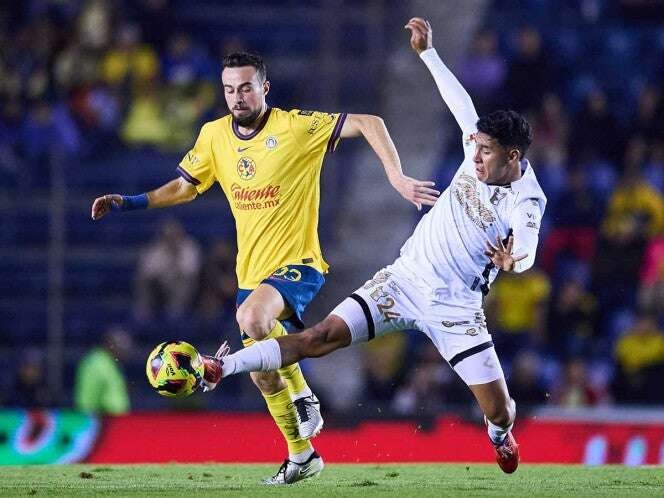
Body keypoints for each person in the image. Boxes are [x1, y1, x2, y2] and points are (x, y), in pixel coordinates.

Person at [202, 19, 546, 475]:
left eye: (485, 152)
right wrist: (427, 54)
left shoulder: (527, 199)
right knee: (319, 337)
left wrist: (515, 260)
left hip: (456, 309)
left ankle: (500, 435)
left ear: (513, 158)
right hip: (402, 281)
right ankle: (220, 367)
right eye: (475, 146)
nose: (475, 156)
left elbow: (527, 244)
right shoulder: (476, 146)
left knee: (500, 410)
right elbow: (458, 99)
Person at [91, 51, 437, 484]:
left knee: (252, 318)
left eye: (246, 87)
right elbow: (184, 186)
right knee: (265, 376)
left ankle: (306, 396)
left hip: (299, 264)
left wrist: (398, 178)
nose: (237, 96)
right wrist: (130, 201)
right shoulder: (214, 135)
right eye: (230, 89)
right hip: (250, 277)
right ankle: (302, 455)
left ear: (264, 88)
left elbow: (370, 122)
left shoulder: (296, 127)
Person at [74, 326, 131, 415]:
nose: (124, 350)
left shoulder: (111, 363)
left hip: (116, 422)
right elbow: (86, 402)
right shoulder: (95, 363)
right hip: (104, 423)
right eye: (120, 345)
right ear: (109, 343)